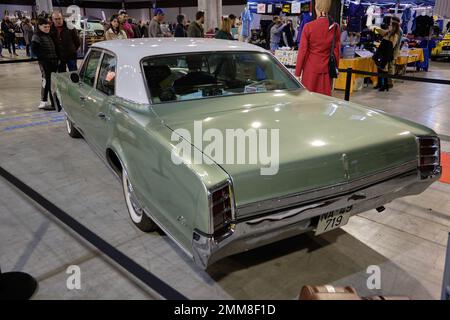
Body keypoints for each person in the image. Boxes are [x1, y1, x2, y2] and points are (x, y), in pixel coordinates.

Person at [295, 0, 340, 96]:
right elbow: (336, 51)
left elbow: (302, 51)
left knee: (308, 99)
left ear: (317, 8)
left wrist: (298, 72)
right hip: (326, 70)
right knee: (324, 100)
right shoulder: (335, 27)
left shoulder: (308, 27)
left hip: (310, 70)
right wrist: (336, 68)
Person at [32, 17, 58, 110]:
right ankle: (43, 101)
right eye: (45, 27)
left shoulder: (49, 35)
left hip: (53, 62)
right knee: (46, 81)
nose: (47, 28)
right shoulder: (36, 36)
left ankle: (54, 102)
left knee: (52, 83)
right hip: (45, 63)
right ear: (39, 26)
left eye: (48, 26)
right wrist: (44, 58)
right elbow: (34, 50)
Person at [373, 21, 400, 92]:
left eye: (390, 25)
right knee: (379, 68)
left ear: (394, 27)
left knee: (384, 70)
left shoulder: (395, 36)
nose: (389, 26)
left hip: (386, 54)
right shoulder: (388, 33)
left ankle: (385, 85)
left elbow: (391, 46)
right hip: (381, 53)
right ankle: (379, 84)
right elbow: (381, 31)